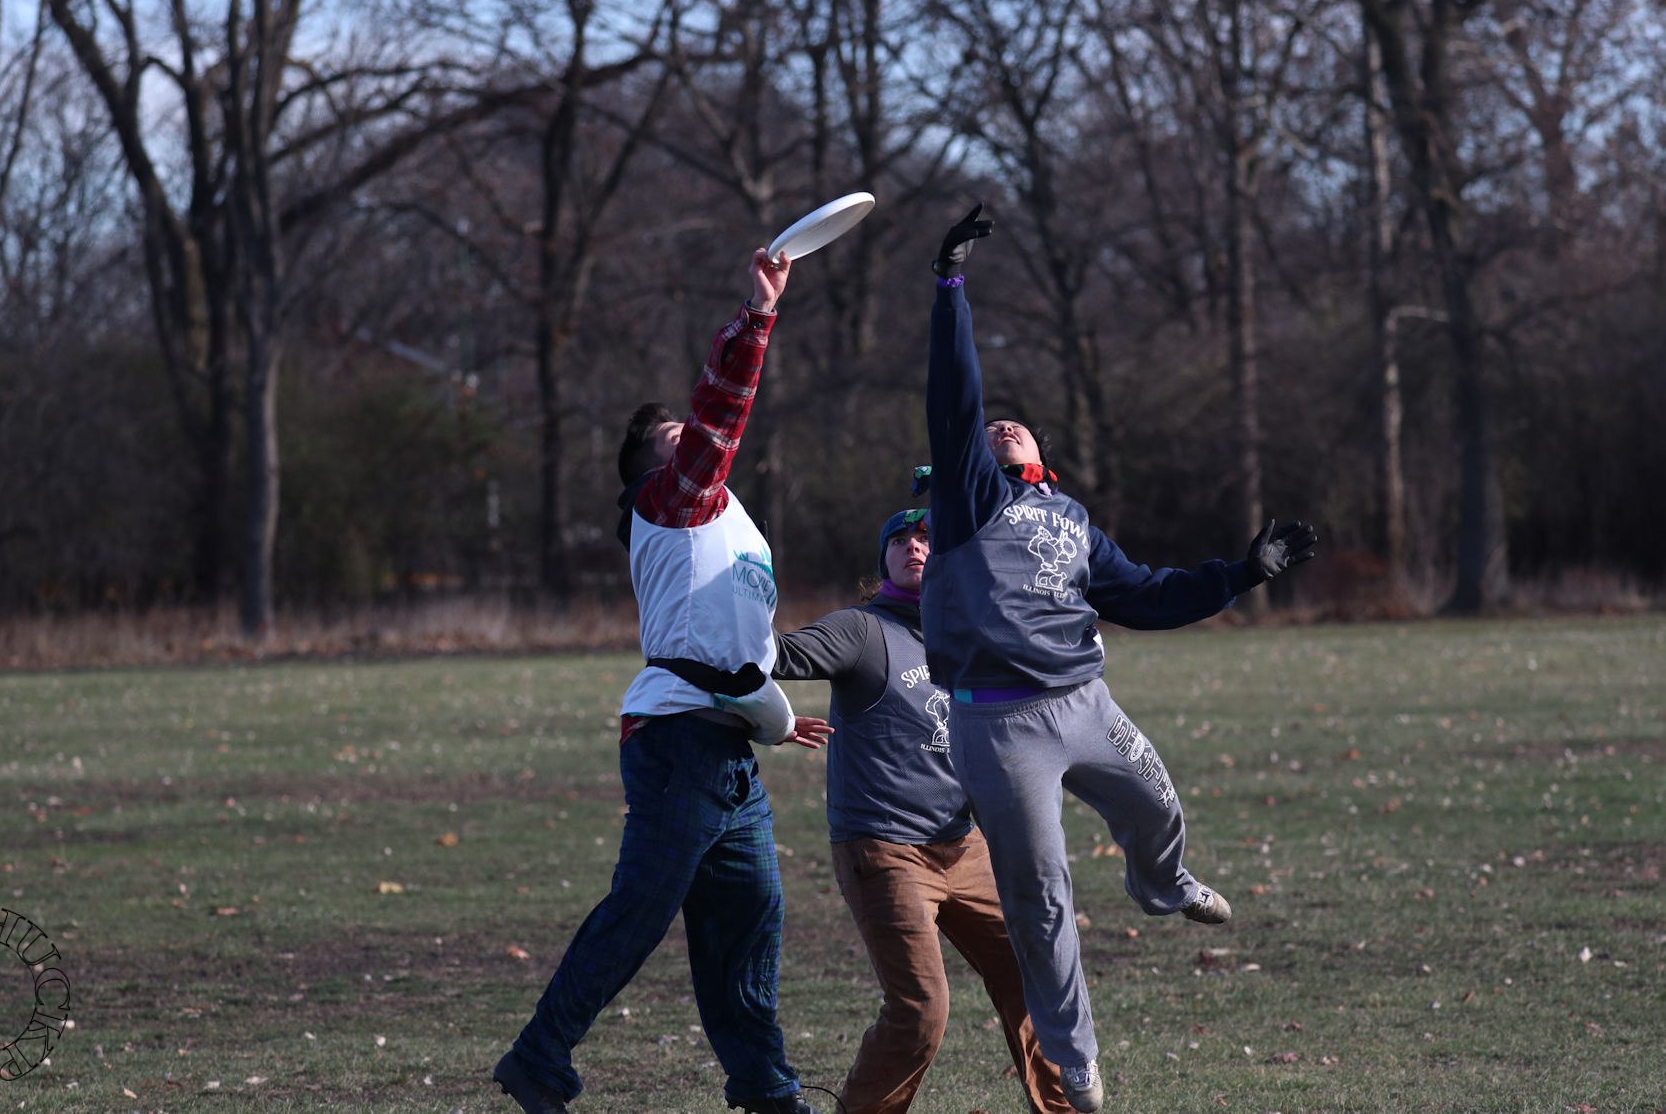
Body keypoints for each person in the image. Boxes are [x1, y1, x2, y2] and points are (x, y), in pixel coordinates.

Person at [919, 204, 1318, 1113]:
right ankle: (1076, 1060)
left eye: (1016, 426)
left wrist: (1243, 575)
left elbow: (1145, 595)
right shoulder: (968, 501)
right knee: (1042, 895)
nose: (1000, 427)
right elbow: (957, 395)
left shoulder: (1071, 522)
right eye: (992, 430)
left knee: (1160, 804)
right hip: (1000, 723)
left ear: (1046, 458)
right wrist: (950, 285)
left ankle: (1164, 884)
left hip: (1085, 704)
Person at [494, 248, 835, 1114]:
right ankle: (538, 1059)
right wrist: (755, 318)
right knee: (640, 914)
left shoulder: (727, 519)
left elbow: (730, 639)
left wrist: (770, 712)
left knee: (748, 930)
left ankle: (767, 1091)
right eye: (677, 441)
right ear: (653, 469)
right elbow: (720, 412)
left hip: (727, 745)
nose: (696, 444)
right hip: (679, 741)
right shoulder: (670, 500)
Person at [772, 508, 1079, 1114]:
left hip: (965, 845)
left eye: (927, 538)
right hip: (884, 850)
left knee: (1035, 977)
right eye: (900, 539)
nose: (914, 547)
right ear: (883, 557)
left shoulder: (973, 633)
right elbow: (777, 656)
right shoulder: (861, 631)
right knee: (921, 1012)